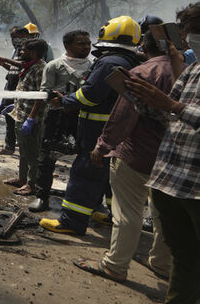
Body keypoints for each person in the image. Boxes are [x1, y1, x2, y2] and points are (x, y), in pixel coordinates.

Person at [106, 2, 199, 304]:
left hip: (196, 181)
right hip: (176, 175)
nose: (188, 38)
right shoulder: (192, 70)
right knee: (186, 254)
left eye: (193, 30)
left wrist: (170, 106)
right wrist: (140, 99)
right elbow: (169, 114)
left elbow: (177, 110)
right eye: (185, 31)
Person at [72, 17, 173, 281]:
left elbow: (123, 116)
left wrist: (102, 146)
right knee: (164, 216)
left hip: (137, 152)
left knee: (128, 212)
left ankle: (115, 266)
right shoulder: (184, 70)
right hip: (171, 157)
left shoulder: (143, 72)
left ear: (145, 44)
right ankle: (162, 265)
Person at [40, 15, 142, 235]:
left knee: (84, 173)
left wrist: (64, 101)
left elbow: (90, 95)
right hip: (115, 130)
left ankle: (71, 222)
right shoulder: (130, 59)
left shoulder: (109, 62)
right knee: (107, 174)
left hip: (97, 130)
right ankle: (109, 215)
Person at [28, 30, 92, 212]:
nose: (86, 47)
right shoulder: (55, 66)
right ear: (67, 45)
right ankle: (41, 197)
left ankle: (89, 202)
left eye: (88, 43)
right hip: (57, 117)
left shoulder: (94, 67)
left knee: (86, 158)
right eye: (81, 43)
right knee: (46, 158)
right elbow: (44, 93)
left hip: (83, 117)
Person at [0, 39, 48, 195]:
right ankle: (22, 179)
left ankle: (32, 185)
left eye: (23, 50)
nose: (20, 53)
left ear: (32, 52)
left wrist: (31, 119)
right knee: (23, 151)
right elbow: (18, 75)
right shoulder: (30, 66)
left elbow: (40, 96)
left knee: (32, 154)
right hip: (21, 114)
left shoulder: (40, 69)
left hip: (30, 118)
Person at [0, 27, 31, 155]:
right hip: (10, 87)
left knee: (20, 120)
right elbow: (13, 69)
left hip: (21, 90)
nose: (13, 40)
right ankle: (9, 146)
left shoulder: (31, 51)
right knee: (9, 118)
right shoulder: (16, 51)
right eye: (12, 38)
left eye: (16, 37)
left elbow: (24, 66)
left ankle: (24, 149)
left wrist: (5, 59)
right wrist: (2, 64)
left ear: (25, 36)